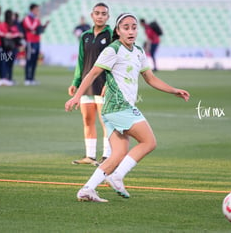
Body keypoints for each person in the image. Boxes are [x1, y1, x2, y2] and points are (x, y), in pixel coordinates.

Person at [65, 13, 190, 202]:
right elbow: (91, 74)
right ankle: (116, 176)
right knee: (149, 142)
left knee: (119, 153)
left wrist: (173, 90)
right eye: (126, 27)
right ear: (118, 31)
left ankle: (87, 189)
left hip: (113, 109)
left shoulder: (139, 51)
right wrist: (77, 96)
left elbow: (150, 78)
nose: (131, 30)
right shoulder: (112, 50)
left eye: (133, 27)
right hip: (118, 106)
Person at [68, 3, 113, 166]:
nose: (100, 16)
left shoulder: (111, 35)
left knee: (105, 121)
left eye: (103, 13)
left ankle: (107, 156)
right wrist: (76, 82)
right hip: (86, 84)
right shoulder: (85, 35)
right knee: (88, 119)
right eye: (97, 13)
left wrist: (109, 83)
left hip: (103, 83)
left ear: (108, 17)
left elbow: (114, 62)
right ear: (92, 15)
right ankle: (90, 156)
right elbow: (81, 61)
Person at [23, 3, 50, 86]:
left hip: (37, 41)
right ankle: (27, 78)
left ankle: (32, 78)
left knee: (34, 60)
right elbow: (31, 27)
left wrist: (44, 26)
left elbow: (38, 30)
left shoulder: (35, 19)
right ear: (32, 10)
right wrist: (36, 19)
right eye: (36, 9)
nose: (38, 11)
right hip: (30, 41)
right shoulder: (28, 18)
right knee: (29, 60)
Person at [1, 10, 22, 83]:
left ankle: (9, 78)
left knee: (11, 63)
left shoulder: (14, 24)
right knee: (6, 63)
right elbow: (6, 35)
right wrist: (16, 35)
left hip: (14, 46)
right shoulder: (5, 24)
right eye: (12, 15)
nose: (14, 17)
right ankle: (4, 78)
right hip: (7, 47)